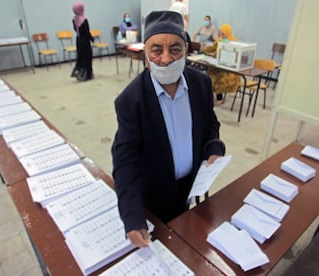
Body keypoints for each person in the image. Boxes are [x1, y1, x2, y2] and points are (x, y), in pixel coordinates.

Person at [111, 10, 225, 248]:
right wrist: (132, 218)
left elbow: (209, 123)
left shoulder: (201, 84)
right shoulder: (131, 101)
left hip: (190, 188)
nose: (166, 59)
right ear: (145, 52)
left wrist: (214, 147)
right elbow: (125, 162)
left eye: (175, 49)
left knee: (187, 245)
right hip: (154, 198)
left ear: (186, 48)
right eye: (156, 50)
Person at [203, 23, 241, 106]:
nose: (221, 35)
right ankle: (209, 95)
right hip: (217, 65)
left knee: (218, 78)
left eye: (223, 34)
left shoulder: (233, 42)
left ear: (228, 33)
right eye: (220, 33)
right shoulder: (219, 40)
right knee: (207, 75)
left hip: (228, 69)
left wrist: (214, 55)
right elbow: (212, 48)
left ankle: (219, 98)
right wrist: (205, 49)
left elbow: (230, 55)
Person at [71, 2, 94, 81]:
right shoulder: (84, 20)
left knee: (80, 56)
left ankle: (78, 70)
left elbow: (76, 30)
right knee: (87, 57)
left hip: (78, 39)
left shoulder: (74, 19)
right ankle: (87, 75)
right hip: (85, 40)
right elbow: (87, 32)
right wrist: (92, 39)